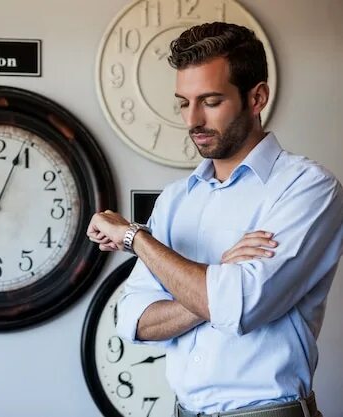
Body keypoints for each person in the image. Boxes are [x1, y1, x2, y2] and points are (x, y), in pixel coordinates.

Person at [86, 22, 343, 417]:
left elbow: (242, 308)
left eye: (210, 101)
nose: (192, 120)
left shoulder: (309, 188)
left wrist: (137, 238)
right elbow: (136, 321)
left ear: (256, 97)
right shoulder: (175, 200)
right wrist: (219, 275)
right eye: (183, 102)